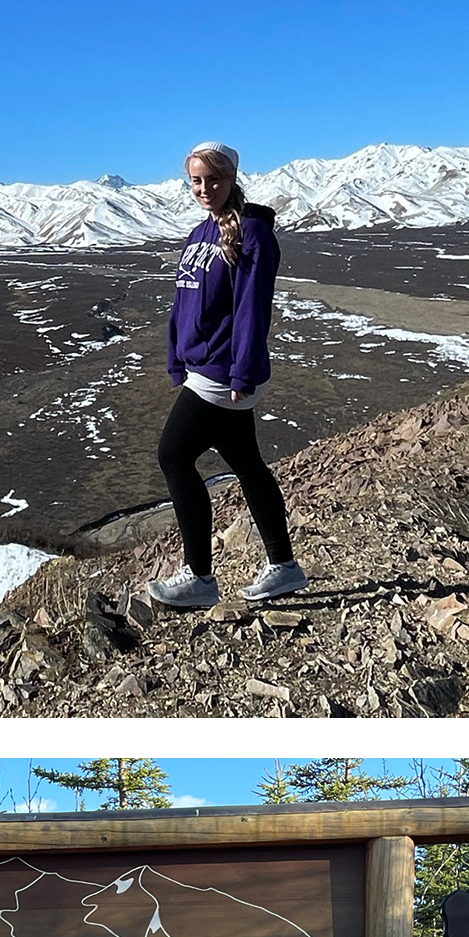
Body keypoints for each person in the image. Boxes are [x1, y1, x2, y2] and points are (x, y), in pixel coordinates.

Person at [147, 140, 305, 612]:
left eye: (213, 179)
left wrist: (244, 369)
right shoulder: (199, 234)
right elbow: (184, 302)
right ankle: (284, 566)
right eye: (196, 180)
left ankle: (198, 577)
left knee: (173, 455)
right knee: (247, 463)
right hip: (201, 366)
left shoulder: (253, 233)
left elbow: (252, 308)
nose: (204, 188)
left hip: (224, 372)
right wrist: (176, 355)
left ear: (232, 178)